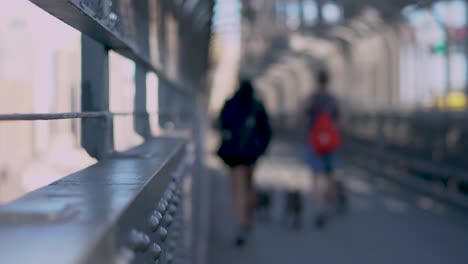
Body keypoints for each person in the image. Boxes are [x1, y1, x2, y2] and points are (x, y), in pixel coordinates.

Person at [217, 79, 272, 247]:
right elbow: (267, 131)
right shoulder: (257, 105)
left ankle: (241, 223)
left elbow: (222, 125)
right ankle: (248, 217)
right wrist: (261, 149)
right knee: (249, 184)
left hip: (233, 154)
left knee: (237, 188)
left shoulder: (230, 104)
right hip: (251, 153)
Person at [304, 69, 343, 229]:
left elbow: (301, 117)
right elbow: (342, 120)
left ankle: (319, 207)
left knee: (316, 175)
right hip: (331, 143)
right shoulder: (334, 100)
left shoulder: (311, 99)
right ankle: (331, 202)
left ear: (316, 80)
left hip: (314, 142)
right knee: (330, 174)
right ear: (328, 81)